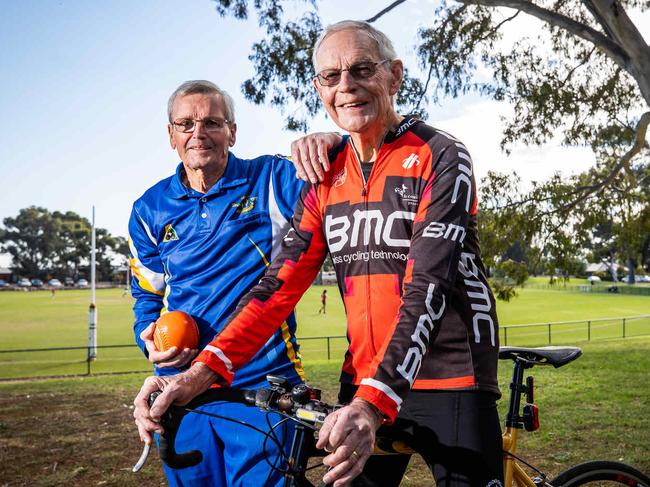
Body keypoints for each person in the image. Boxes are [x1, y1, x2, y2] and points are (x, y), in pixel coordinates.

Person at [134, 21, 503, 487]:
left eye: (361, 70)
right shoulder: (326, 176)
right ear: (319, 89)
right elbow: (276, 289)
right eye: (331, 77)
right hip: (366, 379)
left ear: (394, 76)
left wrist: (372, 404)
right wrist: (199, 373)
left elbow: (427, 289)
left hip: (451, 376)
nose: (346, 86)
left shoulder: (440, 153)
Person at [129, 80, 339, 486]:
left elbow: (341, 168)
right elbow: (146, 295)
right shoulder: (148, 209)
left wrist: (330, 140)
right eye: (185, 124)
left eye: (211, 122)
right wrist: (148, 337)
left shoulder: (273, 179)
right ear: (171, 135)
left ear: (232, 131)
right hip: (183, 392)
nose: (198, 133)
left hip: (264, 387)